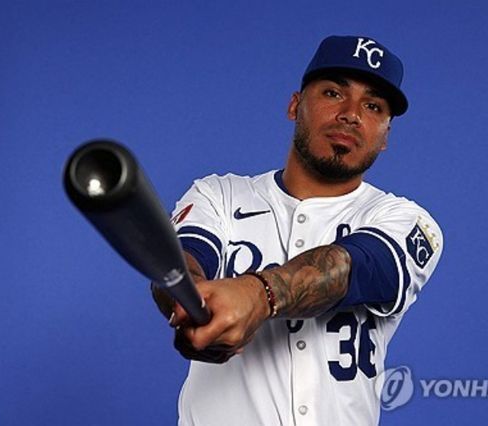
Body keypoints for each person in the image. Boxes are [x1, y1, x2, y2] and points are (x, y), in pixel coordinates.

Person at [151, 35, 443, 425]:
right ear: (295, 105)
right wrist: (191, 303)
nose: (351, 114)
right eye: (333, 93)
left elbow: (350, 267)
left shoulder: (404, 219)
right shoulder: (218, 194)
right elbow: (181, 261)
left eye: (373, 106)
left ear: (386, 135)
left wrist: (257, 294)